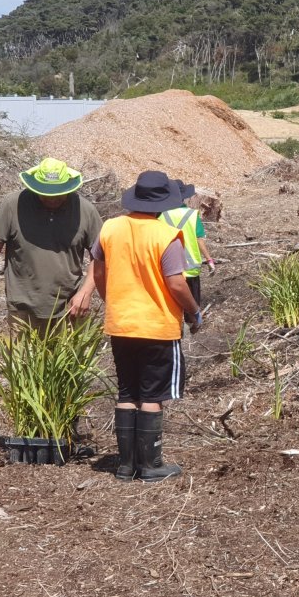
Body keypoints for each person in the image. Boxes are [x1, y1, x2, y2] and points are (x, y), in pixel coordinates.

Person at [92, 171, 201, 483]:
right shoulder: (165, 235)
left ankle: (126, 466)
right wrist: (193, 312)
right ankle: (151, 465)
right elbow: (177, 285)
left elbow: (99, 271)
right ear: (163, 204)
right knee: (152, 395)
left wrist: (111, 299)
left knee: (127, 390)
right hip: (156, 326)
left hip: (121, 323)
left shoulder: (110, 227)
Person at [0, 158, 101, 329]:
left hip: (70, 309)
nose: (52, 199)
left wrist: (85, 293)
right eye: (46, 193)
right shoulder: (13, 205)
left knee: (68, 356)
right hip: (22, 309)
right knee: (21, 356)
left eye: (58, 194)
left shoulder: (85, 210)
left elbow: (100, 256)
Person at [160, 179, 214, 308]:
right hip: (190, 269)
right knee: (193, 304)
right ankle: (193, 323)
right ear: (183, 197)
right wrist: (209, 259)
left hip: (169, 269)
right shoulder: (192, 215)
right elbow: (199, 239)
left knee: (174, 304)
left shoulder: (160, 215)